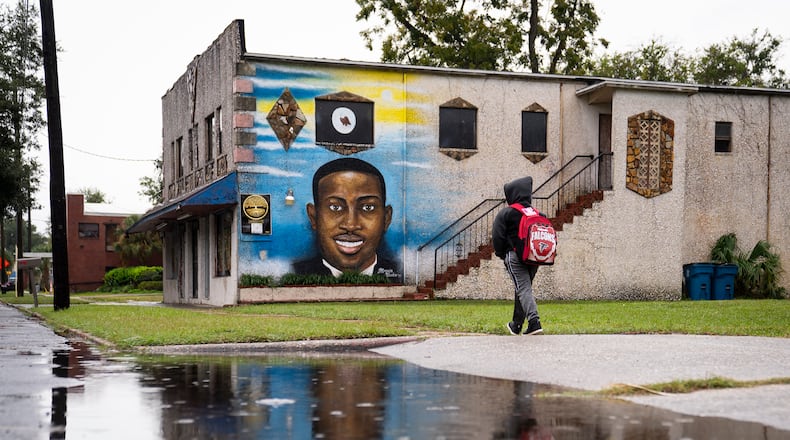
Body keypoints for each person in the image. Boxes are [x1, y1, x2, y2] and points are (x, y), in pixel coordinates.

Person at [292, 157, 401, 281]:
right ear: (313, 217)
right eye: (335, 207)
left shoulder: (401, 272)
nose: (351, 225)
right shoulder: (295, 273)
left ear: (386, 218)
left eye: (367, 207)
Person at [492, 176, 543, 335]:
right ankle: (517, 325)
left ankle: (534, 322)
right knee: (523, 289)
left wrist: (503, 255)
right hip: (534, 257)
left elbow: (497, 237)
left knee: (523, 289)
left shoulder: (506, 213)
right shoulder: (537, 213)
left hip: (514, 256)